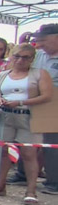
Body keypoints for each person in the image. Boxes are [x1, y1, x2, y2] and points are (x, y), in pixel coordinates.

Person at [0, 43, 53, 205]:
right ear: (11, 56)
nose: (20, 60)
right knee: (4, 152)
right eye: (17, 56)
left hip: (28, 116)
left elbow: (47, 96)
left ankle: (31, 191)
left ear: (32, 59)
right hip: (6, 116)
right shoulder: (2, 75)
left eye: (26, 57)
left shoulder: (40, 74)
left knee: (29, 153)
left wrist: (21, 102)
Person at [30, 24, 58, 194]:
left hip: (54, 107)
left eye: (43, 40)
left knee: (52, 144)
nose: (39, 44)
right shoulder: (39, 56)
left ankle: (54, 181)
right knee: (29, 139)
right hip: (35, 103)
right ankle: (23, 174)